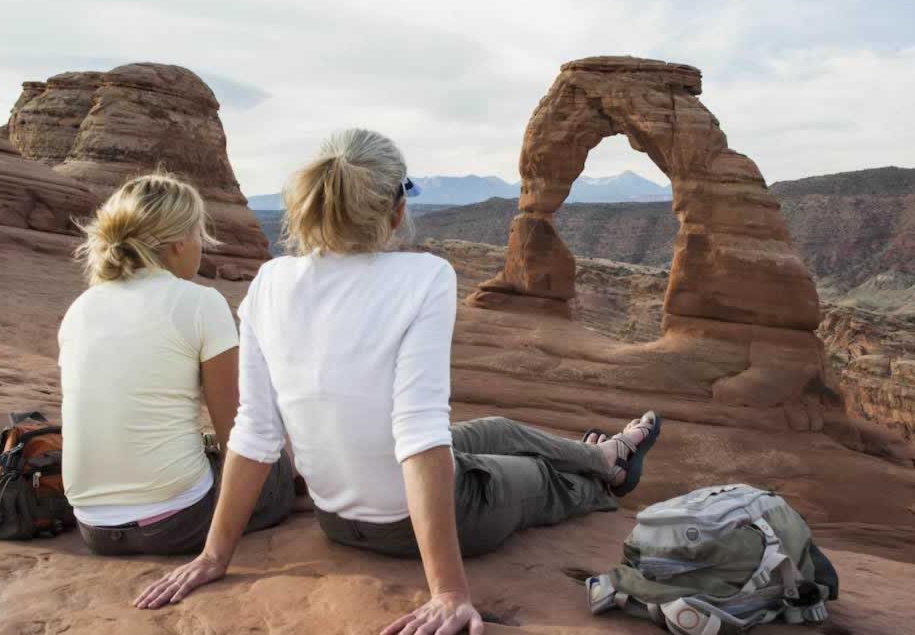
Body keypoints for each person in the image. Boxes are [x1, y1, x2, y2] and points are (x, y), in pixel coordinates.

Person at [134, 130, 661, 635]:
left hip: (335, 518)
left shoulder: (269, 282)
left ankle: (605, 459)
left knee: (495, 428)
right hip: (414, 521)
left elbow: (254, 430)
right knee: (538, 479)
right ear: (397, 209)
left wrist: (214, 555)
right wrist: (449, 591)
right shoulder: (425, 277)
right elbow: (419, 433)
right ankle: (597, 481)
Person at [59, 173, 296, 556]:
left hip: (93, 526)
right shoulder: (200, 302)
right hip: (175, 522)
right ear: (177, 244)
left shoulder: (81, 307)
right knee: (276, 466)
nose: (201, 246)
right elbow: (237, 431)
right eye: (199, 235)